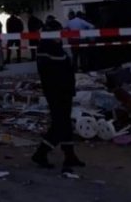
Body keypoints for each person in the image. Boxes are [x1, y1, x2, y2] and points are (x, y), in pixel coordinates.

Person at [32, 17, 85, 173]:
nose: (61, 36)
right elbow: (50, 72)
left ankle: (70, 155)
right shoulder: (46, 48)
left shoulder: (57, 47)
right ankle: (41, 153)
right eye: (58, 33)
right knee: (60, 125)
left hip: (65, 91)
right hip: (55, 92)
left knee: (65, 124)